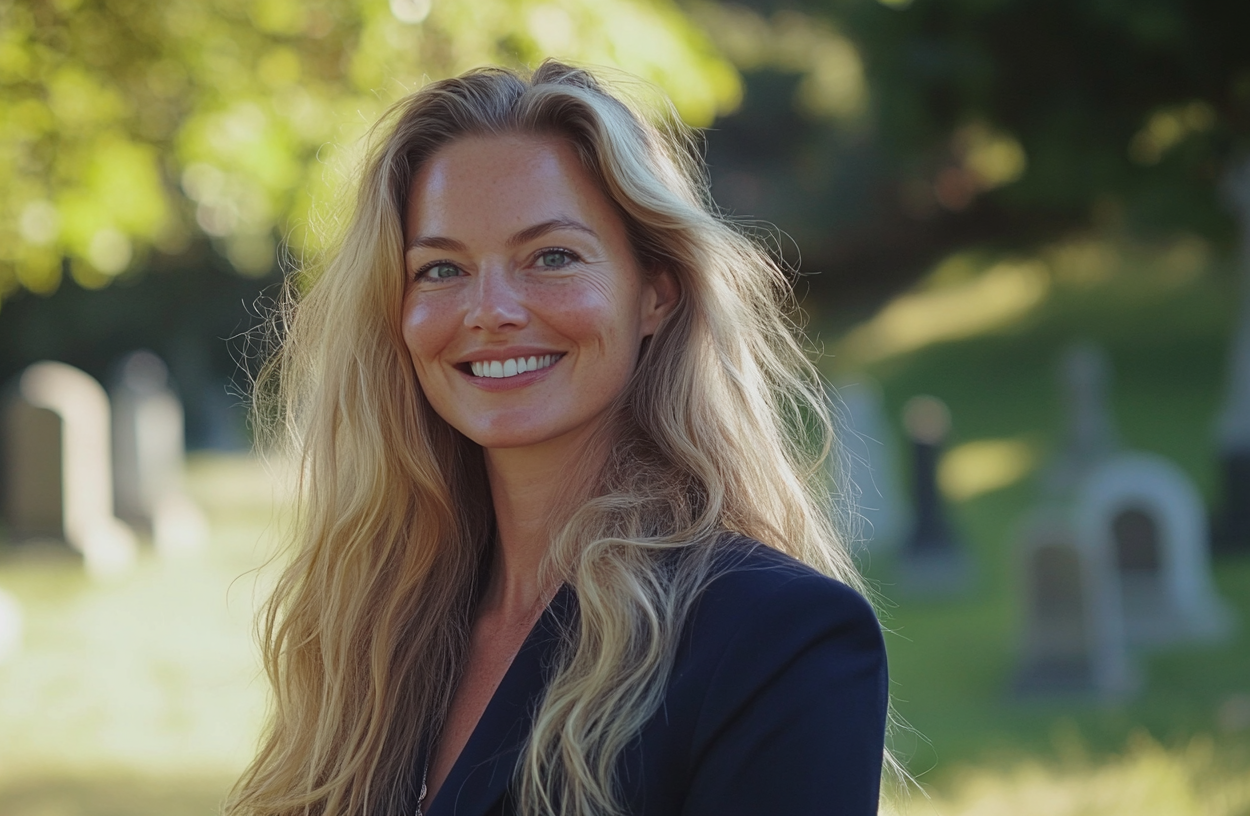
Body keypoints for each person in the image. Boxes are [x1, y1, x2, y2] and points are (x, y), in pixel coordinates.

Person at [230, 61, 888, 816]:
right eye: (441, 268)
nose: (491, 310)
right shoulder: (375, 628)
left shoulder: (776, 637)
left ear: (655, 293)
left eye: (551, 257)